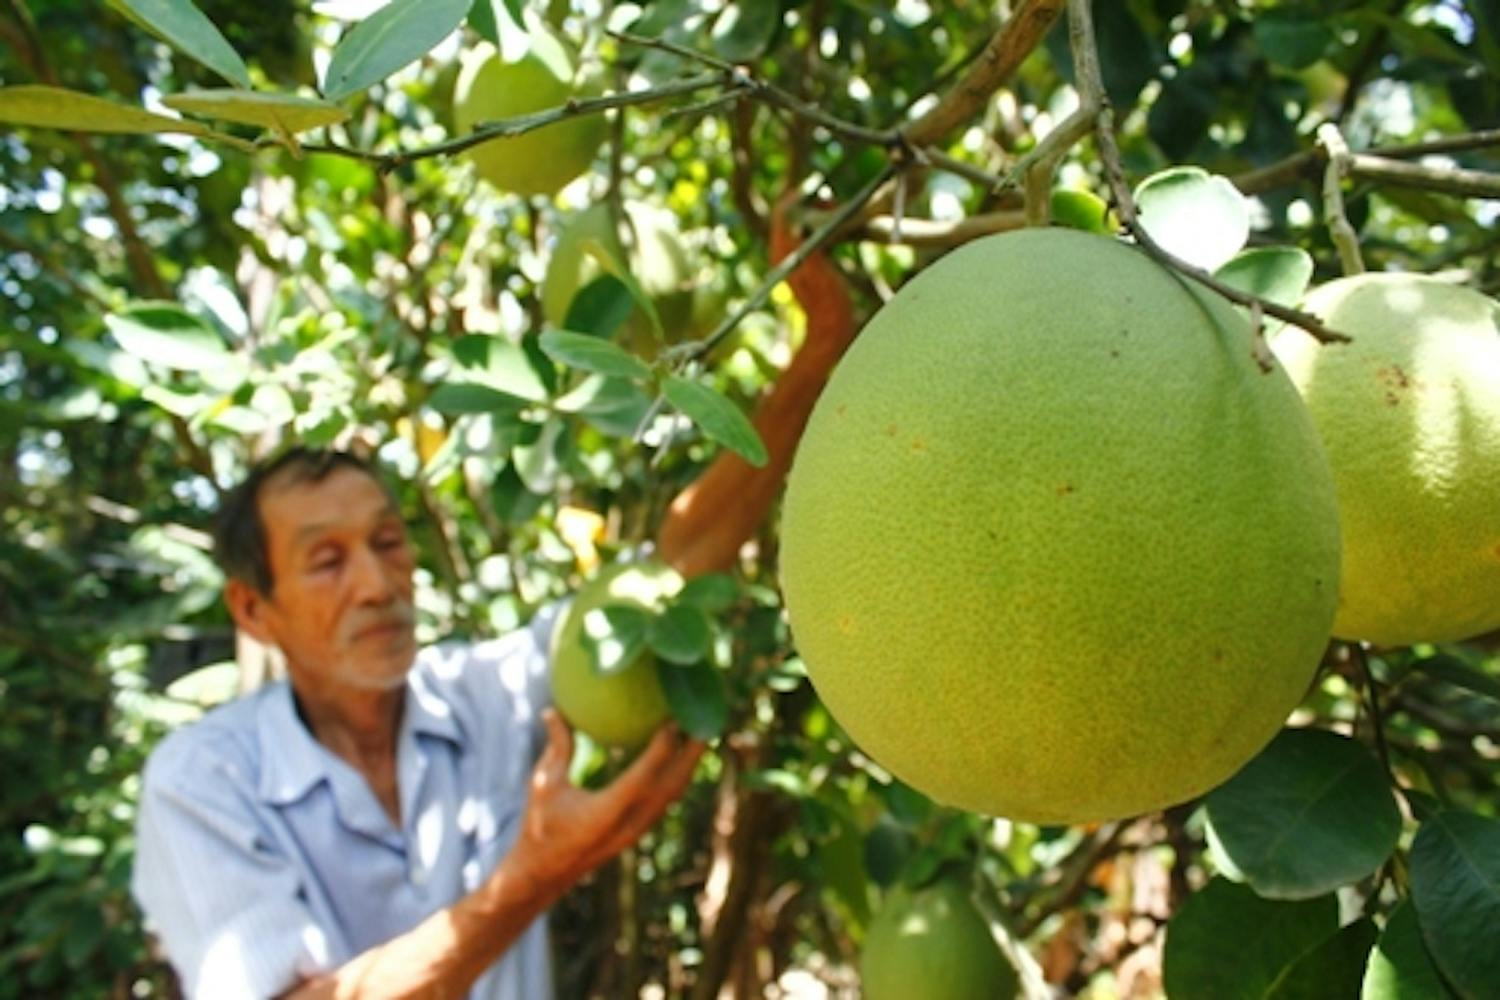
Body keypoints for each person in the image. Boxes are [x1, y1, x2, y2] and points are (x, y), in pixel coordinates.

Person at [130, 195, 860, 1000]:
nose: (377, 584)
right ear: (252, 610)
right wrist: (532, 880)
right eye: (326, 560)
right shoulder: (204, 783)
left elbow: (668, 569)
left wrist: (821, 347)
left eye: (386, 541)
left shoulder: (482, 701)